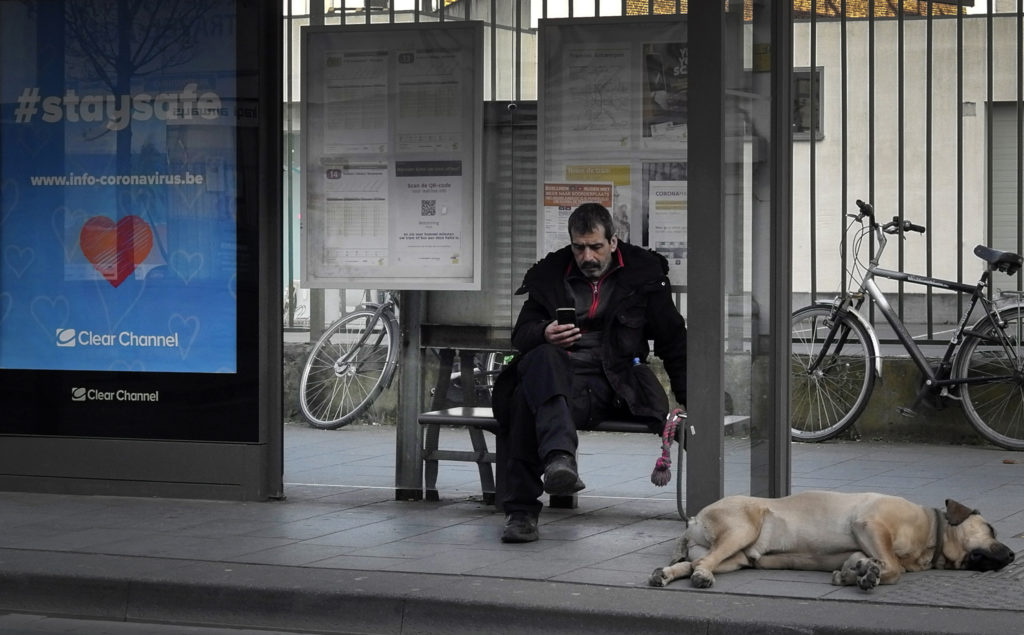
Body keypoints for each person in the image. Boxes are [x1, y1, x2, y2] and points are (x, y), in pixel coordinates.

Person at [491, 202, 687, 543]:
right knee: (537, 370)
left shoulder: (643, 276)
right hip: (565, 386)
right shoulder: (551, 276)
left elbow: (673, 339)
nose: (588, 257)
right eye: (579, 247)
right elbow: (521, 336)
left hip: (619, 388)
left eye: (596, 247)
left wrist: (688, 399)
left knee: (529, 398)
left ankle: (524, 506)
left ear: (613, 241)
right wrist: (544, 332)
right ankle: (555, 464)